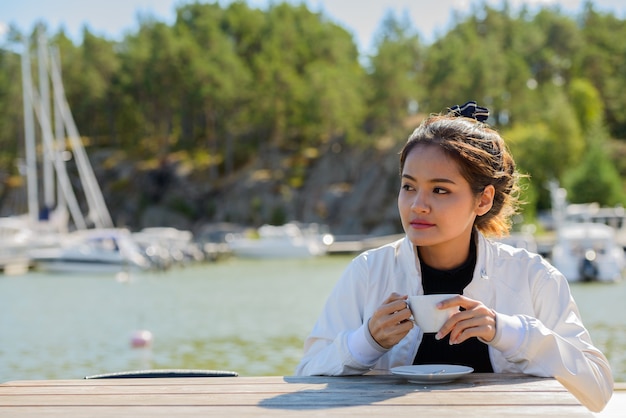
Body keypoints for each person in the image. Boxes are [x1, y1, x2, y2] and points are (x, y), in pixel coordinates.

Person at [295, 101, 613, 412]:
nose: (418, 205)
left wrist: (508, 332)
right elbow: (303, 379)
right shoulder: (368, 272)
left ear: (483, 200)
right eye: (408, 187)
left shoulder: (531, 275)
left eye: (440, 190)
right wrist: (367, 341)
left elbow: (597, 390)